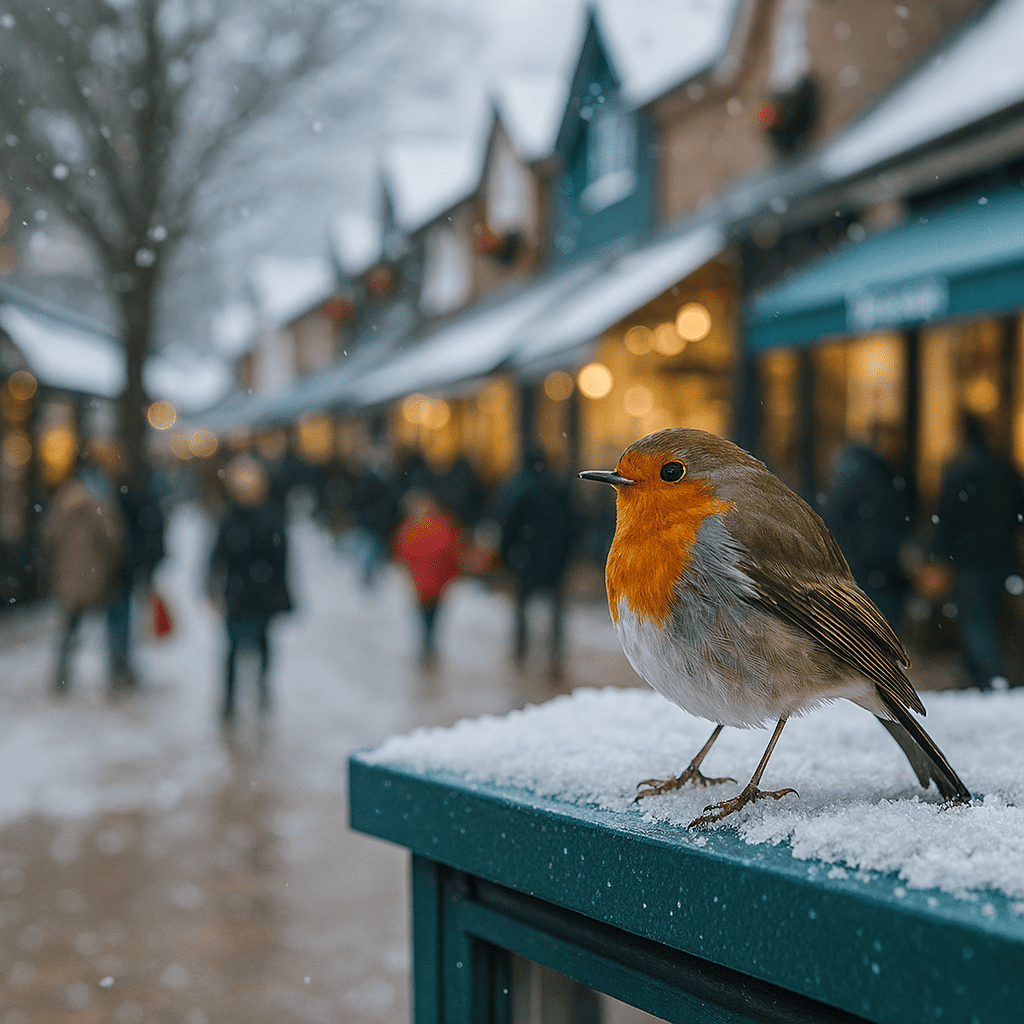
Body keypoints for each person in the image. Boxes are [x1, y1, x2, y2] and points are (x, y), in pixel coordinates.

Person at [925, 414, 1024, 690]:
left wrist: (937, 556)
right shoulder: (1002, 467)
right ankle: (983, 674)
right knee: (989, 616)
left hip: (971, 560)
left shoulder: (960, 468)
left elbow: (947, 518)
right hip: (1000, 558)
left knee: (975, 617)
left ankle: (990, 676)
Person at [208, 455, 293, 721]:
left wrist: (282, 594)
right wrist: (212, 590)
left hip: (263, 596)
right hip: (237, 595)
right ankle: (230, 700)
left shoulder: (271, 517)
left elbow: (283, 560)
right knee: (233, 649)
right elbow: (215, 558)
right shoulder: (228, 520)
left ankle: (262, 690)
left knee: (263, 645)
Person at [42, 448, 125, 692]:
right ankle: (115, 670)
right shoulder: (100, 502)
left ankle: (62, 675)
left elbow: (49, 538)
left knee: (69, 628)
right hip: (96, 576)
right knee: (109, 624)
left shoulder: (63, 502)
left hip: (69, 579)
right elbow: (115, 538)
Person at [824, 423, 915, 629]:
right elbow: (837, 519)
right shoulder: (868, 476)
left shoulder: (892, 477)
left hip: (882, 565)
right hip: (867, 565)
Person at [495, 449, 577, 677]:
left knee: (522, 606)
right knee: (556, 608)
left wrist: (506, 555)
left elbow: (507, 523)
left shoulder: (518, 488)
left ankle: (520, 653)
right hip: (554, 557)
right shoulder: (558, 487)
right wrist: (567, 554)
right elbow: (573, 523)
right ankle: (555, 656)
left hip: (526, 557)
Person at [392, 489, 464, 667]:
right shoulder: (444, 525)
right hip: (438, 583)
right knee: (434, 615)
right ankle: (430, 642)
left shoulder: (410, 528)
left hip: (420, 584)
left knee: (423, 616)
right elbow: (453, 552)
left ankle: (426, 643)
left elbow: (402, 553)